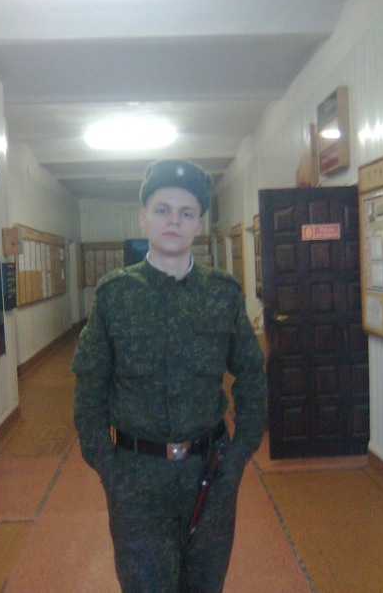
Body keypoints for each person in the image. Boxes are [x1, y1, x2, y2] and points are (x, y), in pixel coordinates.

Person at [72, 159, 267, 593]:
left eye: (186, 212)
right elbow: (89, 387)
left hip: (210, 473)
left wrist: (238, 457)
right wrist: (109, 468)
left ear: (198, 223)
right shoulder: (115, 295)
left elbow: (252, 375)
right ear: (144, 216)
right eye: (162, 210)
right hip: (135, 477)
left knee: (205, 583)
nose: (173, 221)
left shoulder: (223, 294)